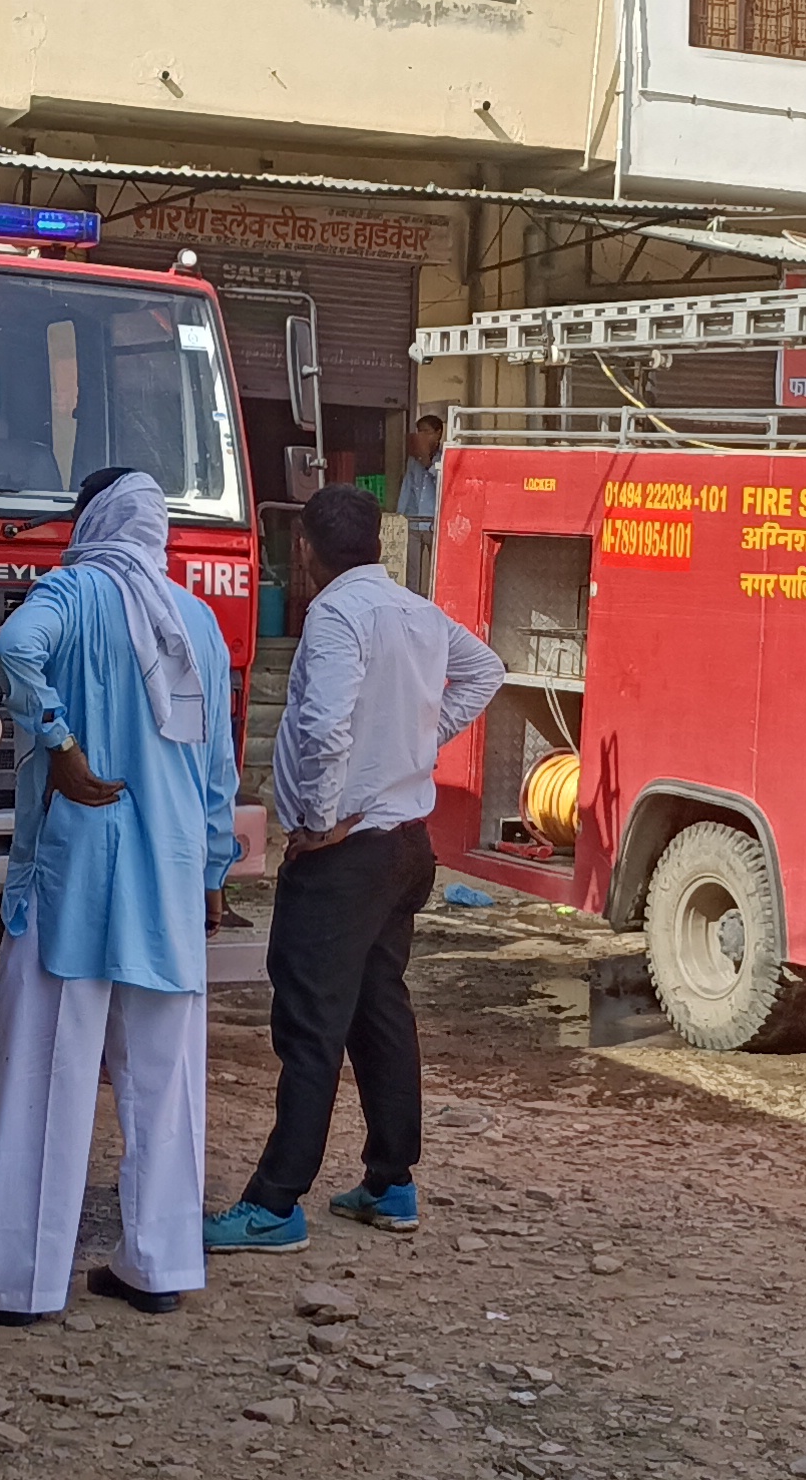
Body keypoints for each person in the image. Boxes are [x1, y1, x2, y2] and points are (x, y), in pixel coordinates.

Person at [0, 468, 240, 1325]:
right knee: (164, 1085)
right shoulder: (196, 620)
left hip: (79, 880)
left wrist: (57, 740)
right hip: (168, 885)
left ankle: (19, 1283)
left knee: (41, 1078)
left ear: (88, 521)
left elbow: (11, 647)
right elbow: (218, 770)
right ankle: (158, 1264)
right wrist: (212, 874)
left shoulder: (73, 590)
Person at [208, 486, 502, 1254]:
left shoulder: (337, 616)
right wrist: (415, 741)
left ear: (304, 550)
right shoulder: (414, 610)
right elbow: (486, 672)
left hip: (349, 850)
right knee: (379, 1015)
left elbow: (324, 725)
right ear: (378, 540)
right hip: (404, 842)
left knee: (310, 1026)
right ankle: (389, 1182)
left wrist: (324, 817)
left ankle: (275, 1203)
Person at [394, 414, 446, 596]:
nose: (421, 436)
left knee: (436, 573)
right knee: (411, 572)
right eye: (419, 432)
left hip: (435, 524)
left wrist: (429, 464)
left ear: (438, 433)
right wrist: (399, 516)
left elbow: (446, 484)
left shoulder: (446, 457)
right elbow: (407, 486)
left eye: (426, 432)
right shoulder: (412, 459)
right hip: (413, 522)